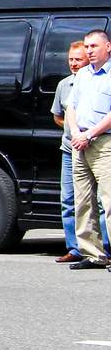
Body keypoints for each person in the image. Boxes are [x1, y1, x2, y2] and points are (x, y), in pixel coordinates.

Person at [65, 29, 111, 270]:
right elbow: (71, 106)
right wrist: (75, 132)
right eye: (87, 46)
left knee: (109, 201)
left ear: (108, 47)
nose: (89, 51)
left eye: (94, 46)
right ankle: (93, 254)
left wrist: (90, 134)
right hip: (79, 142)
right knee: (83, 200)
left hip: (104, 143)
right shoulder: (82, 74)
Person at [52, 42, 89, 262]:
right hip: (69, 149)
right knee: (68, 199)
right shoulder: (64, 85)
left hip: (92, 146)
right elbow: (57, 115)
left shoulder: (93, 82)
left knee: (95, 202)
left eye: (78, 60)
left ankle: (102, 247)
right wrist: (72, 130)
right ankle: (74, 248)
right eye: (71, 60)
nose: (74, 64)